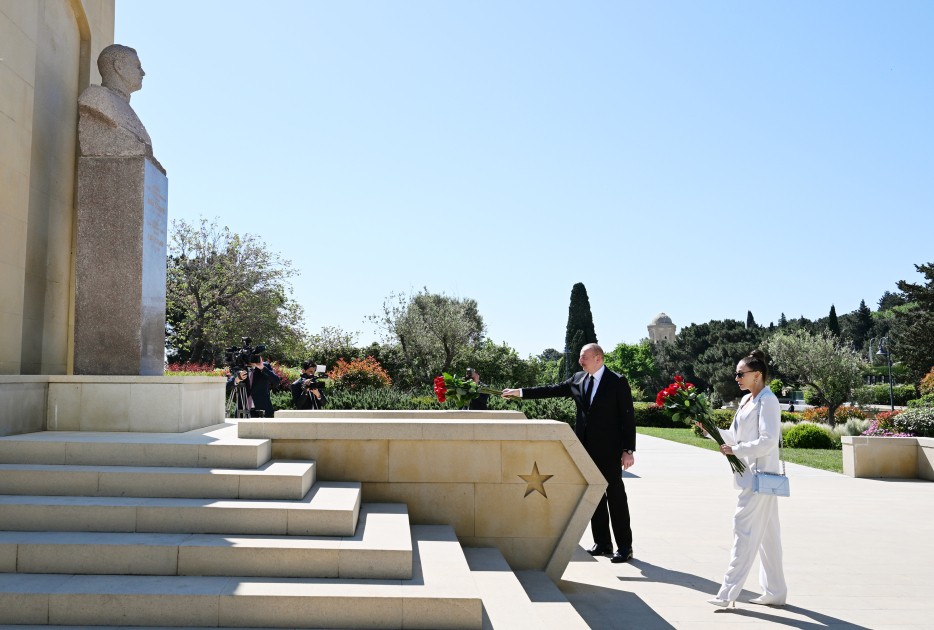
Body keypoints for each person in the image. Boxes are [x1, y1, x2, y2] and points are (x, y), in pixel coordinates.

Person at [503, 343, 636, 563]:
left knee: (615, 496)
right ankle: (603, 543)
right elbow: (551, 390)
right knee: (594, 495)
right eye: (580, 357)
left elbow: (628, 417)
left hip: (610, 451)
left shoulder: (617, 381)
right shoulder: (578, 379)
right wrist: (519, 393)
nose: (580, 361)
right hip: (584, 449)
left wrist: (627, 450)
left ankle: (625, 547)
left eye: (584, 357)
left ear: (598, 358)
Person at [702, 350, 787, 608]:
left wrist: (736, 451)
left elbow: (769, 440)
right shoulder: (746, 401)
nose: (736, 378)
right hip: (751, 477)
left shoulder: (768, 401)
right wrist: (712, 431)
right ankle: (775, 592)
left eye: (741, 374)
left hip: (760, 479)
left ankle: (727, 594)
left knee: (744, 531)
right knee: (768, 538)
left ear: (757, 375)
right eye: (736, 374)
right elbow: (736, 436)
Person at [77, 44, 163, 170]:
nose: (143, 73)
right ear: (119, 67)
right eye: (138, 67)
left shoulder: (124, 106)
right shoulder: (94, 99)